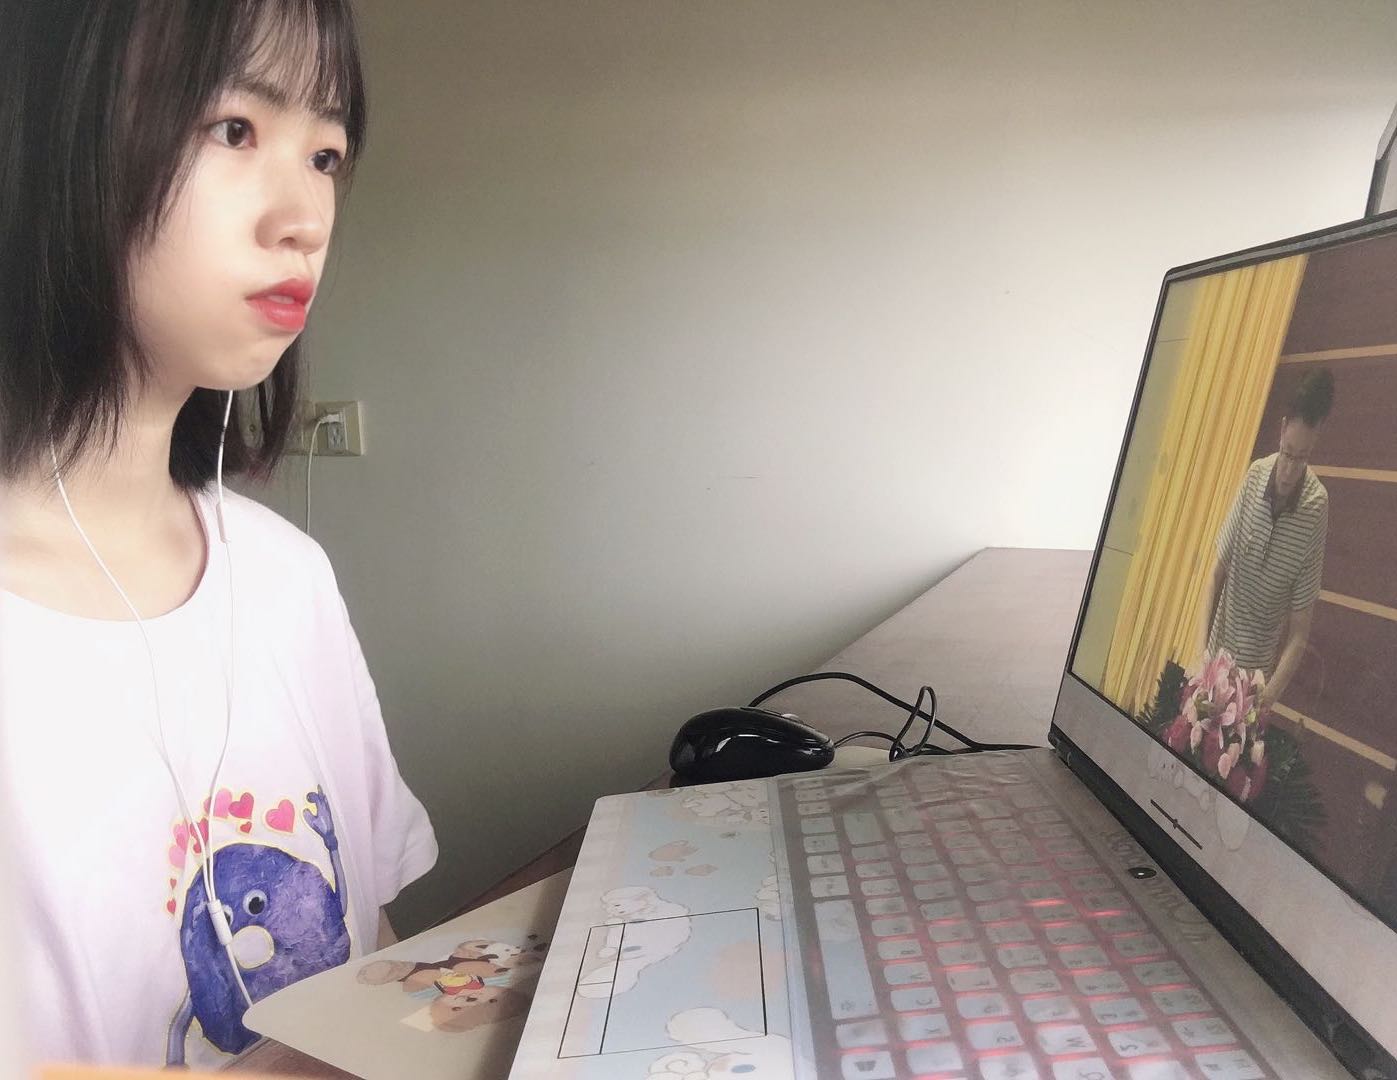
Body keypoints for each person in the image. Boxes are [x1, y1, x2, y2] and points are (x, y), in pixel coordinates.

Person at [0, 2, 437, 1069]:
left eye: (325, 154)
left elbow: (372, 944)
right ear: (49, 132)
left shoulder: (287, 577)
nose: (307, 219)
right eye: (234, 129)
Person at [1200, 369, 1335, 710]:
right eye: (1287, 453)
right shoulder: (1255, 475)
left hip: (1254, 683)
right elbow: (1216, 574)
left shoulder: (1316, 507)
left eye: (1301, 457)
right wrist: (1199, 655)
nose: (1289, 471)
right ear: (1282, 429)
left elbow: (1299, 632)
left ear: (1315, 442)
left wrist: (1266, 699)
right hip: (1212, 663)